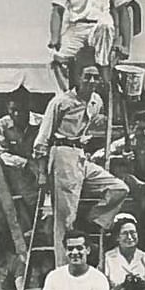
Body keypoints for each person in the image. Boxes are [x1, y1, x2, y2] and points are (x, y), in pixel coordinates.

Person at [33, 64, 128, 239]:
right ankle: (62, 264)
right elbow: (42, 139)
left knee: (119, 188)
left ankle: (93, 219)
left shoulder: (96, 101)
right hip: (62, 154)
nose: (91, 81)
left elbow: (90, 124)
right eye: (87, 76)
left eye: (95, 77)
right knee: (65, 219)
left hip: (81, 155)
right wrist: (42, 172)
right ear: (79, 78)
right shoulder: (60, 102)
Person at [103, 110, 145, 247]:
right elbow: (97, 158)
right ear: (132, 129)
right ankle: (109, 230)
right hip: (124, 196)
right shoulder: (121, 145)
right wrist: (118, 158)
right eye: (141, 129)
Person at [0, 91, 41, 205]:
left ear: (28, 107)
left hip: (41, 171)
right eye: (12, 110)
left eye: (20, 110)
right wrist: (24, 163)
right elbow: (1, 152)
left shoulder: (41, 122)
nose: (16, 114)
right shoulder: (3, 124)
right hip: (18, 174)